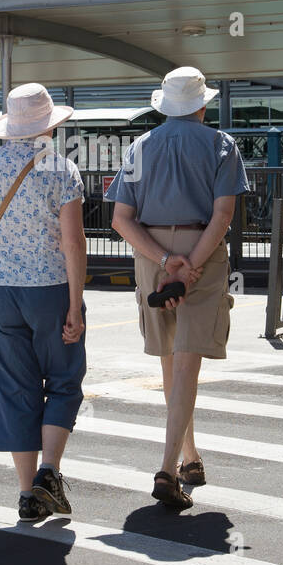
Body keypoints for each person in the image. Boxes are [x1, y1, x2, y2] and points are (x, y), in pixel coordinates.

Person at [105, 66, 250, 510]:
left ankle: (190, 457)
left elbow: (119, 220)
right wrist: (191, 268)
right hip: (202, 251)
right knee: (188, 366)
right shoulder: (221, 145)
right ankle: (168, 468)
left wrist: (167, 262)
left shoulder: (141, 146)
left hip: (152, 256)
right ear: (202, 105)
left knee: (170, 365)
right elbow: (223, 216)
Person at [0, 83, 87, 523]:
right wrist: (76, 305)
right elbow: (73, 243)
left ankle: (25, 494)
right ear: (49, 125)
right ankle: (49, 473)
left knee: (16, 386)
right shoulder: (61, 169)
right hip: (49, 288)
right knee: (64, 378)